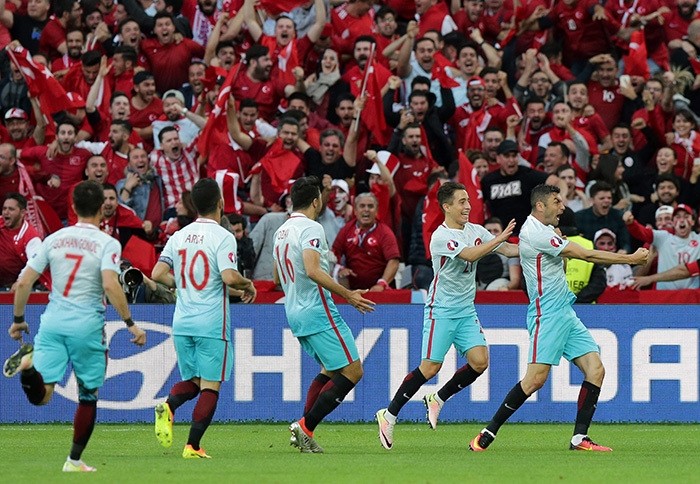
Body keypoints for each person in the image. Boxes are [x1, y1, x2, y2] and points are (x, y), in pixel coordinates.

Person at [469, 184, 648, 453]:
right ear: (541, 206)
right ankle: (487, 432)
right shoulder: (535, 232)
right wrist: (630, 259)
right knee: (534, 381)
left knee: (596, 369)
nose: (563, 207)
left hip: (565, 311)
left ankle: (579, 439)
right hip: (548, 314)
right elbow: (585, 254)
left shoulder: (542, 232)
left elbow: (545, 260)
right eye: (557, 201)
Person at [3, 180, 146, 472]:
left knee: (42, 397)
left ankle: (28, 367)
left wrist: (18, 320)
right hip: (87, 325)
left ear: (73, 207)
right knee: (88, 394)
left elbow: (25, 282)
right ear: (102, 211)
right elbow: (109, 283)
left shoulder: (54, 239)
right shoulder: (108, 242)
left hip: (53, 320)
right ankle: (74, 460)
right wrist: (129, 322)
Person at [376, 182, 517, 450]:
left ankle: (438, 398)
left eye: (468, 201)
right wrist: (497, 239)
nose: (467, 206)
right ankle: (389, 414)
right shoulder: (441, 237)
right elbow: (470, 254)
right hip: (440, 310)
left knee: (480, 361)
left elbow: (508, 250)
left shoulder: (475, 230)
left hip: (465, 309)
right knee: (430, 367)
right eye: (461, 202)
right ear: (447, 207)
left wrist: (542, 248)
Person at [151, 178, 256, 459]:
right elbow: (229, 277)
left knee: (195, 382)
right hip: (210, 322)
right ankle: (193, 446)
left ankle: (170, 406)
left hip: (182, 321)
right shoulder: (223, 236)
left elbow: (157, 274)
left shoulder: (179, 235)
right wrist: (248, 285)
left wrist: (183, 283)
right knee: (211, 386)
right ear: (220, 203)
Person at [273, 176, 375, 453]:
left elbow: (275, 275)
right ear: (316, 201)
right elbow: (313, 270)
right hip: (318, 310)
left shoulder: (281, 231)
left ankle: (305, 431)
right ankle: (305, 426)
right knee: (354, 371)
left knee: (330, 370)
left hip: (294, 310)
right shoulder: (312, 228)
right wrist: (349, 294)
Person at [332, 193, 401, 291]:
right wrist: (340, 268)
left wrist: (382, 283)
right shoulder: (346, 230)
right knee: (340, 278)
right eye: (362, 206)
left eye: (370, 206)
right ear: (355, 211)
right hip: (352, 291)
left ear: (376, 210)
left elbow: (394, 261)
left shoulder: (385, 232)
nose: (366, 210)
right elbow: (333, 254)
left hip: (379, 291)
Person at [0, 193, 42, 289]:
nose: (6, 212)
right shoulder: (1, 222)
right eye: (4, 208)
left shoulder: (31, 237)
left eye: (11, 209)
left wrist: (20, 281)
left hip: (14, 286)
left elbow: (35, 264)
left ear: (23, 213)